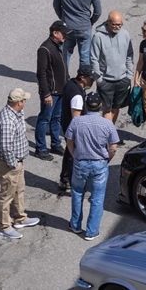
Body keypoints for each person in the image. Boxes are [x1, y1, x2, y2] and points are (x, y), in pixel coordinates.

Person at [64, 91, 119, 241]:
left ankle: (75, 224)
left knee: (77, 192)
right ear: (100, 105)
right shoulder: (107, 123)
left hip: (80, 161)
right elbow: (113, 147)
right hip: (99, 163)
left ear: (86, 106)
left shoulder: (76, 122)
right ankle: (92, 231)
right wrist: (107, 158)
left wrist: (74, 155)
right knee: (97, 197)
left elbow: (69, 141)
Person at [0, 88, 41, 239]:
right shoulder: (7, 120)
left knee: (19, 190)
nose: (26, 102)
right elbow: (6, 147)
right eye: (24, 100)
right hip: (9, 164)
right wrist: (14, 164)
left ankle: (20, 218)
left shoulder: (16, 113)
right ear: (19, 102)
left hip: (17, 162)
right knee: (7, 195)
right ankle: (5, 226)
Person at [54, 0, 102, 73]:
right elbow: (98, 11)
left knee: (66, 54)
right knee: (85, 56)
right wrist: (90, 21)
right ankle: (82, 82)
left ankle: (63, 78)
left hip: (67, 27)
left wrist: (63, 19)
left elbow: (56, 5)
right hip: (84, 27)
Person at [90, 10, 134, 126]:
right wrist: (99, 80)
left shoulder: (125, 34)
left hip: (122, 80)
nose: (117, 27)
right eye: (114, 24)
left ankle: (111, 132)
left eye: (119, 24)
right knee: (106, 110)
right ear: (108, 22)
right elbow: (94, 59)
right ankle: (107, 136)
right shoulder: (98, 37)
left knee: (116, 107)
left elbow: (130, 56)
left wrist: (129, 76)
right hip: (106, 81)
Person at [35, 21, 68, 161]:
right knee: (44, 119)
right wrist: (46, 93)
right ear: (55, 33)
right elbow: (41, 73)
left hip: (61, 91)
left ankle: (55, 144)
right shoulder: (45, 49)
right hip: (50, 93)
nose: (66, 36)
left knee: (56, 118)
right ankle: (40, 148)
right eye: (64, 33)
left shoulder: (59, 46)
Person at [59, 65, 94, 194]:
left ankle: (64, 178)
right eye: (91, 79)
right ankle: (71, 181)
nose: (93, 82)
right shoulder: (77, 96)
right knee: (74, 156)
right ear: (83, 78)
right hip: (73, 129)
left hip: (66, 125)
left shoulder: (70, 84)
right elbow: (76, 120)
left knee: (69, 153)